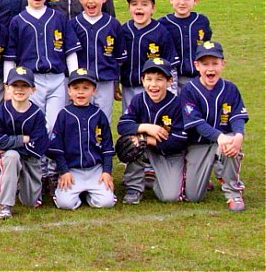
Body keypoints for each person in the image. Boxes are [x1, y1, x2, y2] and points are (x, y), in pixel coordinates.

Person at [4, 0, 80, 137]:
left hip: (57, 79)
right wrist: (7, 85)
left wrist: (74, 81)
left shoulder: (58, 18)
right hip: (30, 80)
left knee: (54, 124)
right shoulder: (17, 21)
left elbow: (70, 52)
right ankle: (37, 161)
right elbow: (10, 58)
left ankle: (52, 162)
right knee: (34, 123)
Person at [181, 41, 248, 211]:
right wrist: (220, 136)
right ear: (197, 65)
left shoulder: (230, 88)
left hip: (224, 143)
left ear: (223, 64)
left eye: (215, 63)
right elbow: (196, 123)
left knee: (231, 143)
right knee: (194, 196)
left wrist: (239, 135)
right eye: (205, 64)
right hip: (198, 144)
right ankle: (217, 169)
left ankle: (233, 192)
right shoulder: (189, 90)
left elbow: (237, 117)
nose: (210, 69)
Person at [117, 58, 187, 204]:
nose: (153, 85)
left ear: (169, 81)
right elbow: (123, 125)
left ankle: (163, 178)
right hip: (145, 151)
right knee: (131, 143)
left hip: (169, 154)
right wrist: (146, 128)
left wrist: (148, 139)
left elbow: (179, 141)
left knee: (169, 197)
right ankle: (134, 187)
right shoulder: (138, 100)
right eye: (149, 79)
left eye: (159, 79)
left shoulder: (177, 104)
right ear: (142, 80)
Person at [47, 69, 115, 210]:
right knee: (65, 204)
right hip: (72, 170)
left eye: (86, 88)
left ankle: (89, 194)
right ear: (69, 92)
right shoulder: (64, 114)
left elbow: (107, 147)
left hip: (95, 169)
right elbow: (57, 148)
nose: (81, 92)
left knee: (106, 203)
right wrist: (64, 171)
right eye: (76, 88)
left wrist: (107, 171)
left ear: (94, 91)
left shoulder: (99, 114)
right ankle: (73, 192)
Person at [0, 66, 49, 220]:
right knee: (11, 157)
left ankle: (18, 184)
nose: (19, 90)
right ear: (8, 89)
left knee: (30, 202)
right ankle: (5, 205)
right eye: (15, 85)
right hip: (8, 162)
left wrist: (9, 144)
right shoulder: (2, 111)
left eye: (24, 86)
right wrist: (22, 139)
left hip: (30, 161)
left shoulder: (37, 114)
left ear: (33, 90)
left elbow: (39, 146)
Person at [69, 0, 127, 124]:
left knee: (103, 119)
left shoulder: (113, 24)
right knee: (79, 118)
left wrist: (116, 82)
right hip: (80, 82)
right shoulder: (73, 24)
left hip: (105, 80)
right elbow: (70, 56)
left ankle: (103, 147)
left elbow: (119, 58)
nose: (91, 1)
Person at [120, 0, 179, 110]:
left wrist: (171, 90)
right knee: (131, 120)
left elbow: (170, 64)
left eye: (144, 4)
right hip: (129, 86)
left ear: (153, 9)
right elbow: (118, 61)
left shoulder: (161, 32)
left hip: (153, 87)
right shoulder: (124, 30)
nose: (139, 7)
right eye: (134, 4)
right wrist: (116, 83)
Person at [158, 0, 212, 92]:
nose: (182, 3)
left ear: (196, 0)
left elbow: (206, 46)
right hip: (171, 77)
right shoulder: (163, 24)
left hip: (198, 76)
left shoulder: (202, 21)